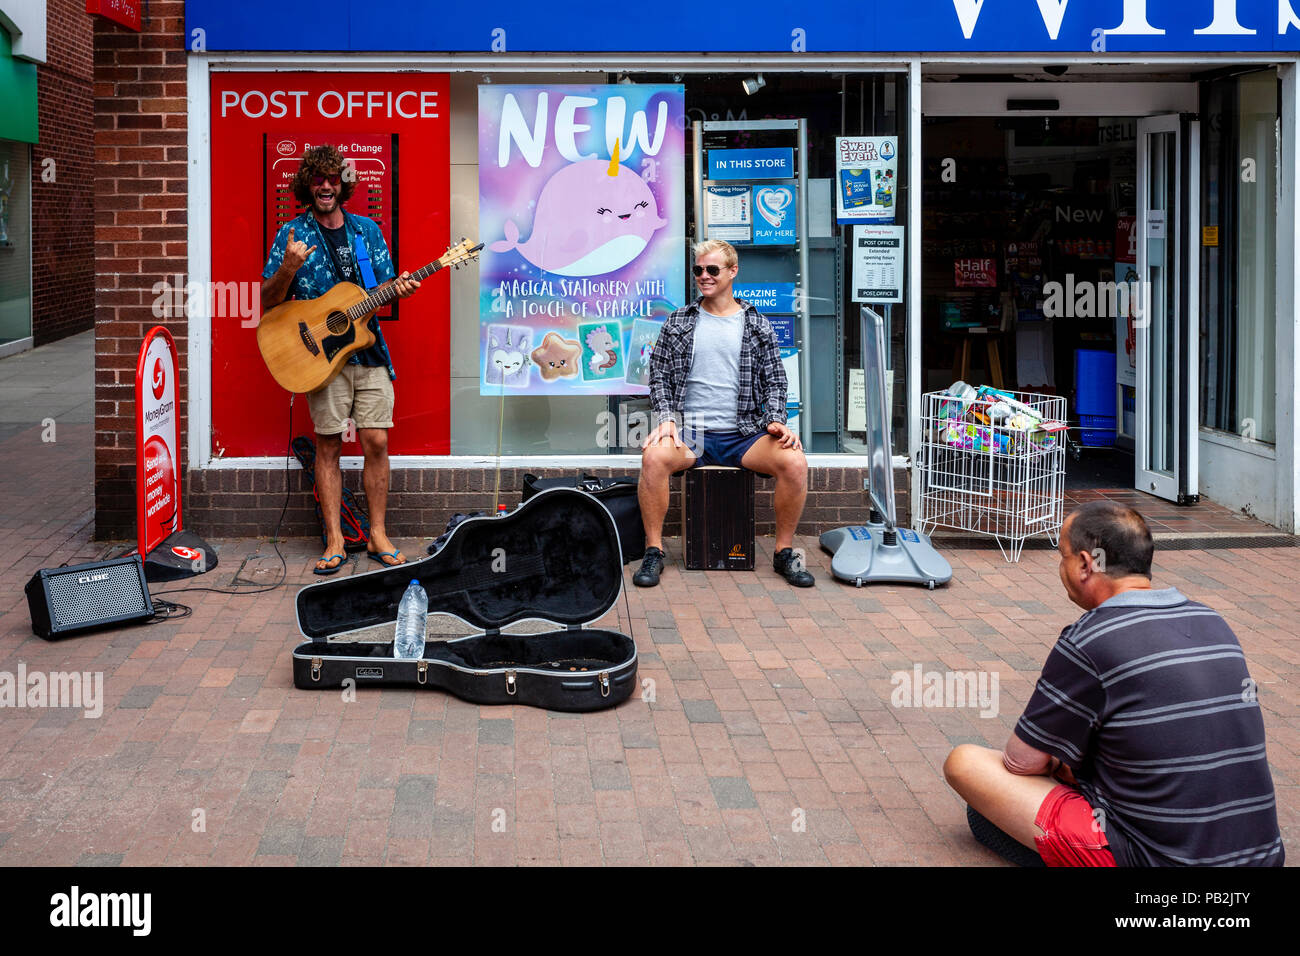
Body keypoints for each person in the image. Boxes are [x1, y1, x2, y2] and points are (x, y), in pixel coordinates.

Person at [944, 500, 1284, 866]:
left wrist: (1060, 768)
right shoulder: (1212, 620)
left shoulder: (1089, 639)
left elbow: (1021, 762)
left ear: (1087, 565)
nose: (1061, 567)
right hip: (1261, 856)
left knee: (966, 765)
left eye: (1063, 556)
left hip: (1155, 858)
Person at [261, 145, 419, 575]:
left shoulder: (367, 231)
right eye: (317, 179)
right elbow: (268, 301)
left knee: (377, 442)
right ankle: (334, 541)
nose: (326, 186)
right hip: (319, 360)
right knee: (329, 445)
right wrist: (288, 269)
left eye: (333, 179)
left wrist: (398, 287)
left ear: (343, 185)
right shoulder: (292, 235)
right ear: (307, 185)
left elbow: (380, 290)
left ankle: (378, 535)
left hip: (367, 350)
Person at [633, 239, 812, 588]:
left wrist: (776, 419)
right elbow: (658, 375)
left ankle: (783, 552)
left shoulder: (757, 324)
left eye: (712, 269)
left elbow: (776, 379)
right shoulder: (679, 321)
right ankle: (653, 551)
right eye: (698, 270)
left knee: (795, 463)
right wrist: (667, 419)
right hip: (690, 434)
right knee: (653, 458)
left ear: (732, 272)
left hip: (743, 434)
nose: (704, 276)